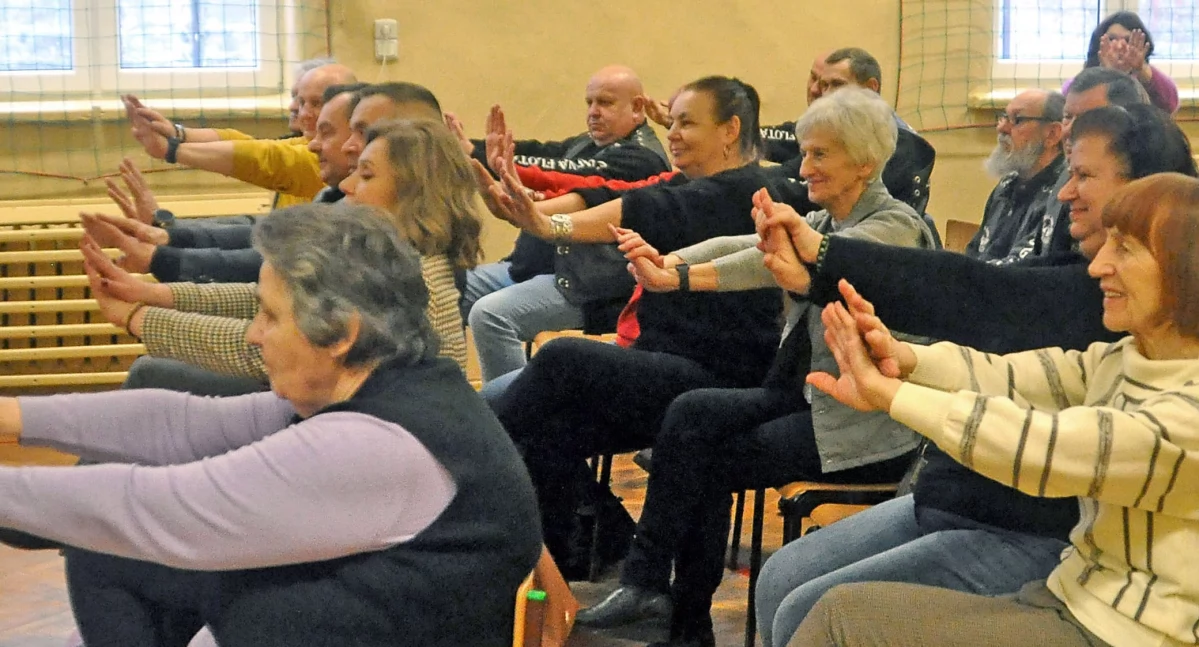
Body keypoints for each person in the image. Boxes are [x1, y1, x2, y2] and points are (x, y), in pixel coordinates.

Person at [751, 104, 1197, 647]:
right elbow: (1007, 373)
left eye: (1083, 175)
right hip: (1060, 582)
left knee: (834, 616)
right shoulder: (1125, 357)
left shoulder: (1184, 410)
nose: (1101, 265)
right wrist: (904, 360)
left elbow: (1043, 445)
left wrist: (892, 393)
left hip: (1106, 618)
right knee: (794, 587)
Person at [0, 203, 541, 647]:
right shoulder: (382, 382)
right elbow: (182, 423)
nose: (255, 335)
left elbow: (160, 508)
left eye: (269, 316)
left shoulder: (375, 447)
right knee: (109, 535)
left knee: (119, 535)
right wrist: (15, 416)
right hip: (346, 621)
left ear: (341, 334)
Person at [576, 87, 936, 647]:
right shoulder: (828, 217)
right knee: (692, 414)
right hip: (800, 394)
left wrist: (684, 273)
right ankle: (658, 597)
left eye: (820, 155)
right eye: (805, 152)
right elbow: (742, 243)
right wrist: (672, 268)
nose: (804, 167)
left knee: (703, 456)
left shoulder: (893, 228)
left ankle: (674, 612)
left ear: (865, 163)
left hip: (855, 424)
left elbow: (781, 257)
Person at [477, 75, 784, 580]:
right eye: (675, 121)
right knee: (545, 431)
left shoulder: (742, 191)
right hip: (662, 368)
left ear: (731, 130)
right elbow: (602, 193)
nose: (674, 133)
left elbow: (639, 208)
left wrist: (540, 223)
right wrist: (526, 212)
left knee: (559, 359)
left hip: (717, 378)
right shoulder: (688, 182)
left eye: (688, 122)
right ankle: (583, 558)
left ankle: (468, 458)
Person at [82, 118, 481, 381]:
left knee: (154, 376)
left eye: (366, 174)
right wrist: (154, 294)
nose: (347, 184)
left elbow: (277, 344)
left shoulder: (408, 278)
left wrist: (140, 314)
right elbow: (285, 304)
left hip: (373, 437)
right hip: (351, 419)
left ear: (412, 191)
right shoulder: (385, 256)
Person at [459, 65, 671, 382]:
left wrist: (491, 158)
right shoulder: (589, 142)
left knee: (491, 316)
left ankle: (512, 415)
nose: (593, 112)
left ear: (638, 107)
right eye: (589, 103)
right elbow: (545, 151)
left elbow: (568, 171)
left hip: (582, 287)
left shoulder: (642, 158)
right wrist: (467, 150)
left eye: (605, 103)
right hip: (531, 269)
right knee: (446, 286)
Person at [123, 57, 349, 211]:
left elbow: (266, 158)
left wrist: (172, 150)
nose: (300, 111)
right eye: (300, 101)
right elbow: (246, 143)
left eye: (316, 103)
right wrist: (177, 134)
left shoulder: (333, 158)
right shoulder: (306, 143)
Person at [1002, 66, 1150, 262]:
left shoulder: (1141, 187)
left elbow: (1079, 274)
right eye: (1067, 117)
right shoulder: (1064, 180)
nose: (1069, 130)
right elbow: (1037, 261)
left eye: (1088, 119)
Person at [966, 89, 1066, 263]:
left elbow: (1026, 268)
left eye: (1017, 120)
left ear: (1052, 134)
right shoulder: (1006, 186)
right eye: (1003, 117)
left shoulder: (1063, 192)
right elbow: (974, 253)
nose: (1002, 128)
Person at [1062, 11, 1179, 114]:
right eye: (1112, 39)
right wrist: (1107, 73)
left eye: (1128, 40)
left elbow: (1170, 104)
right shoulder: (1078, 82)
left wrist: (1141, 68)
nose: (1119, 46)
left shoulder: (1149, 78)